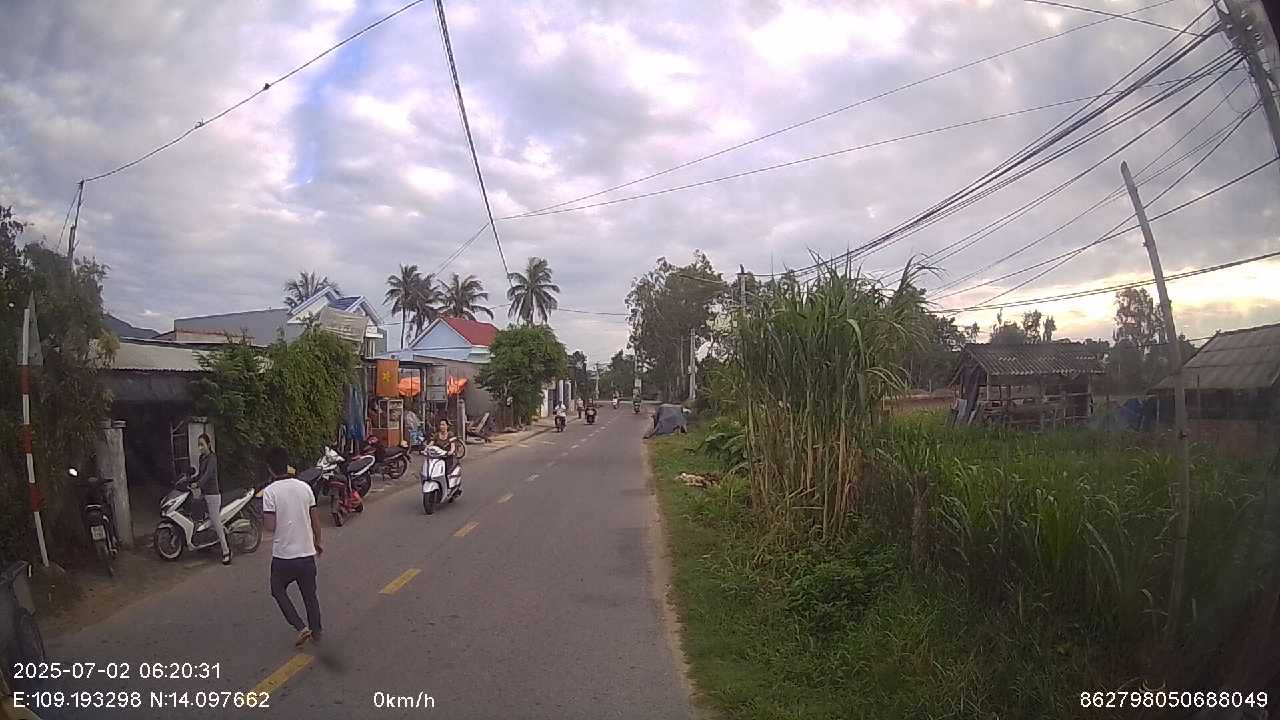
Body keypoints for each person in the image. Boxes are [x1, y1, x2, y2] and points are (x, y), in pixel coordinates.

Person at [261, 447, 323, 647]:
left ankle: (300, 626)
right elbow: (315, 519)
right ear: (287, 465)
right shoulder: (304, 487)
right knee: (309, 595)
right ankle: (317, 632)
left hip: (284, 557)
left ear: (270, 469)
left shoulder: (270, 492)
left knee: (277, 589)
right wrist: (318, 541)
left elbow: (270, 526)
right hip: (306, 553)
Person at [195, 434, 231, 565]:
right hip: (204, 494)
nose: (200, 447)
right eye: (198, 445)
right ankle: (206, 544)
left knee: (215, 523)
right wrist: (190, 480)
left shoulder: (212, 458)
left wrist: (198, 484)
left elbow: (208, 475)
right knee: (203, 519)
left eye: (202, 444)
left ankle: (226, 551)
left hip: (213, 495)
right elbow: (200, 475)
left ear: (208, 445)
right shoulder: (201, 458)